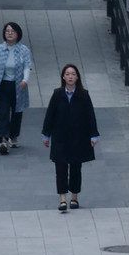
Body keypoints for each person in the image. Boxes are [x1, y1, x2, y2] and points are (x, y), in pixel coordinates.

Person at [41, 62, 99, 210]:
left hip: (78, 137)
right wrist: (46, 135)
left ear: (77, 77)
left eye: (73, 74)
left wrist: (93, 135)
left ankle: (74, 197)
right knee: (60, 168)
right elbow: (50, 115)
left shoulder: (83, 95)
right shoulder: (57, 94)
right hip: (60, 137)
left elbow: (90, 116)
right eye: (67, 74)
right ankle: (62, 199)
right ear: (63, 77)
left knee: (75, 167)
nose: (70, 77)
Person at [0, 21, 33, 155]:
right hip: (2, 85)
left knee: (17, 111)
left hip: (18, 86)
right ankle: (3, 139)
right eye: (7, 31)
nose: (10, 33)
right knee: (3, 112)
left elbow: (27, 66)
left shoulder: (24, 50)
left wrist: (25, 80)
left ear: (18, 34)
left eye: (12, 31)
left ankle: (14, 136)